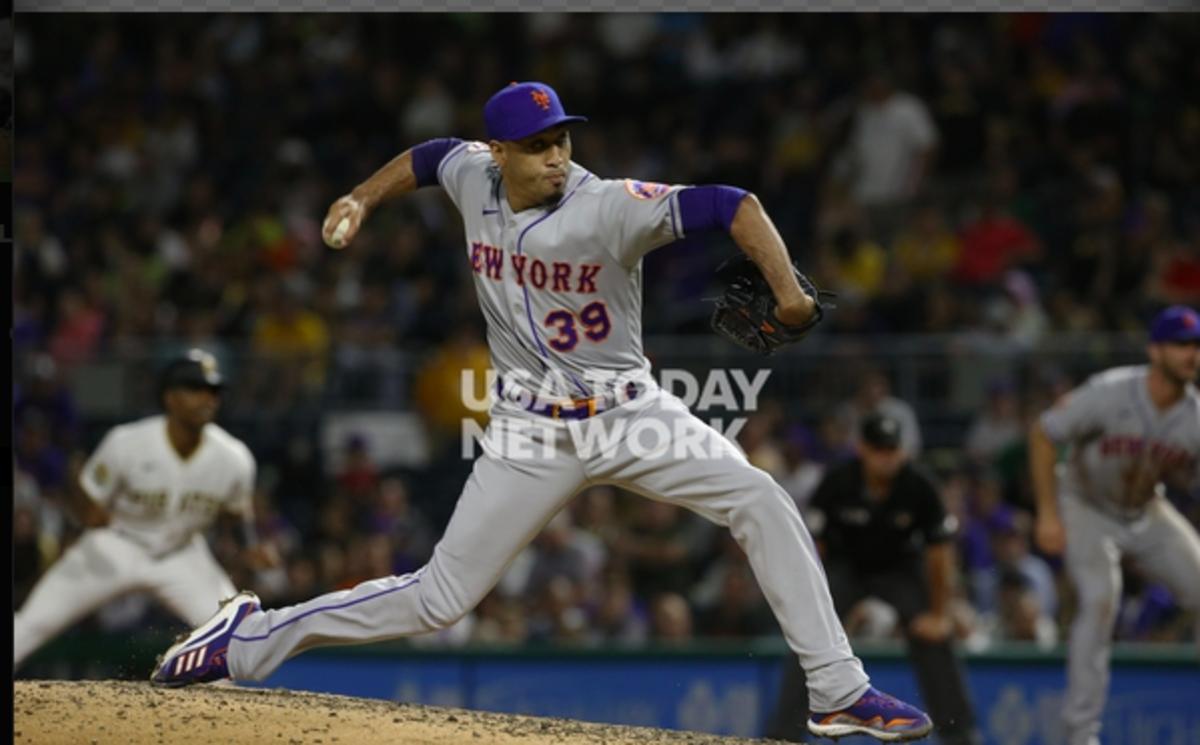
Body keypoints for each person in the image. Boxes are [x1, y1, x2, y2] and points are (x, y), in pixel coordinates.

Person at [151, 81, 932, 742]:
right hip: (529, 431)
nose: (556, 154)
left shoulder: (607, 207)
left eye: (561, 137)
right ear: (500, 152)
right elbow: (427, 159)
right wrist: (360, 196)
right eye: (536, 143)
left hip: (630, 414)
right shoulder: (470, 174)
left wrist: (790, 292)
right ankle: (247, 639)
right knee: (439, 598)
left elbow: (736, 204)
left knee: (760, 495)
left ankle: (836, 688)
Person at [14, 349, 275, 670]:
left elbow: (237, 511)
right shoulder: (127, 442)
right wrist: (86, 514)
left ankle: (225, 716)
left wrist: (249, 546)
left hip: (182, 553)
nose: (207, 398)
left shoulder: (234, 458)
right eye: (195, 389)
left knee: (237, 637)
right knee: (31, 624)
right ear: (170, 397)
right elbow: (87, 492)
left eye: (214, 391)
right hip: (116, 544)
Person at [1029, 305, 1200, 745]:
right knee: (1101, 601)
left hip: (1146, 511)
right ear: (1154, 350)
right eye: (1181, 345)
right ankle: (1079, 735)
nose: (1192, 354)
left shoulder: (1195, 417)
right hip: (1086, 505)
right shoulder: (1111, 391)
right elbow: (1044, 433)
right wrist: (1048, 512)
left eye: (1196, 345)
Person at [766, 413, 981, 744]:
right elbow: (814, 549)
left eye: (892, 450)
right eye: (879, 449)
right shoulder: (837, 480)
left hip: (899, 569)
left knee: (934, 634)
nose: (886, 458)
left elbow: (939, 554)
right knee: (810, 633)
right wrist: (811, 607)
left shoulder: (918, 486)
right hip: (843, 567)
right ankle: (784, 734)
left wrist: (940, 613)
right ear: (861, 448)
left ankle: (960, 734)